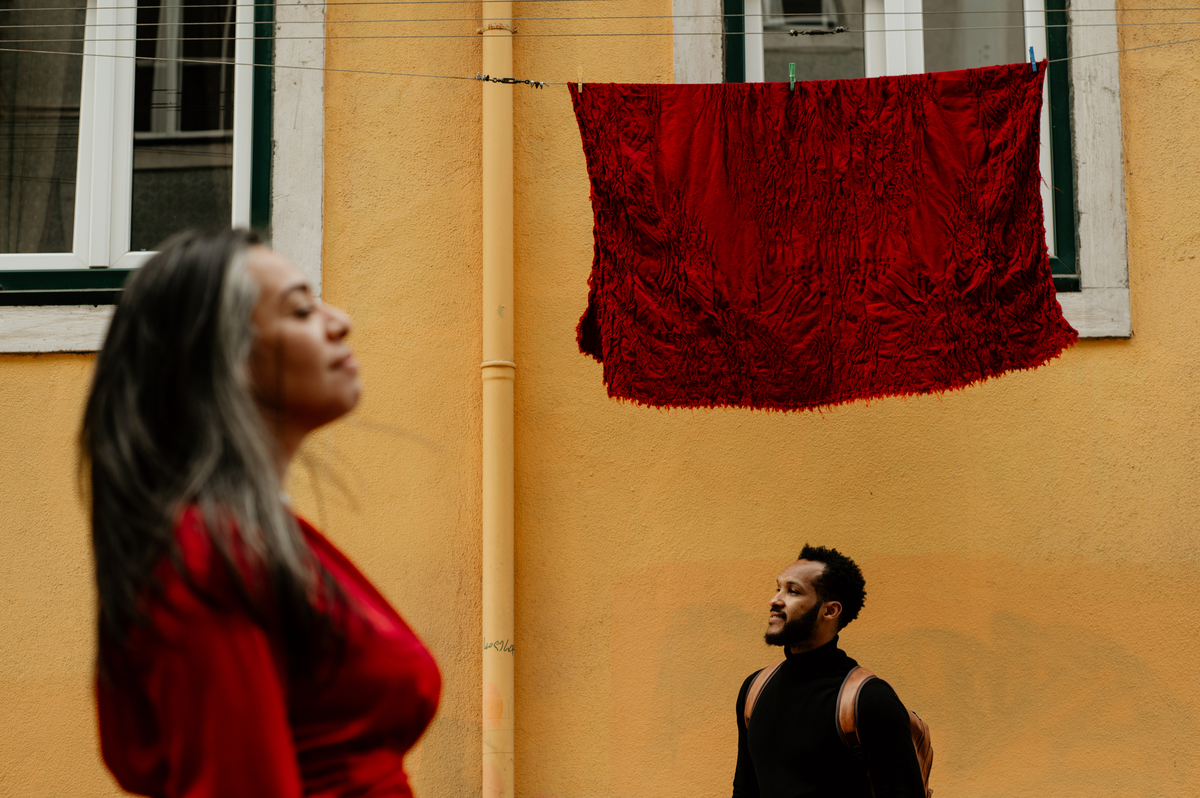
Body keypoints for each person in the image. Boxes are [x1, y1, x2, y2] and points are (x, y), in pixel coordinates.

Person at [82, 228, 441, 797]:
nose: (339, 320)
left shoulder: (255, 541)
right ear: (227, 360)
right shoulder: (206, 560)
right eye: (300, 310)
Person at [732, 545, 925, 798]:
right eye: (777, 588)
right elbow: (745, 790)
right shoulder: (754, 689)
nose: (775, 600)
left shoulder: (870, 700)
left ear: (830, 610)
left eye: (793, 591)